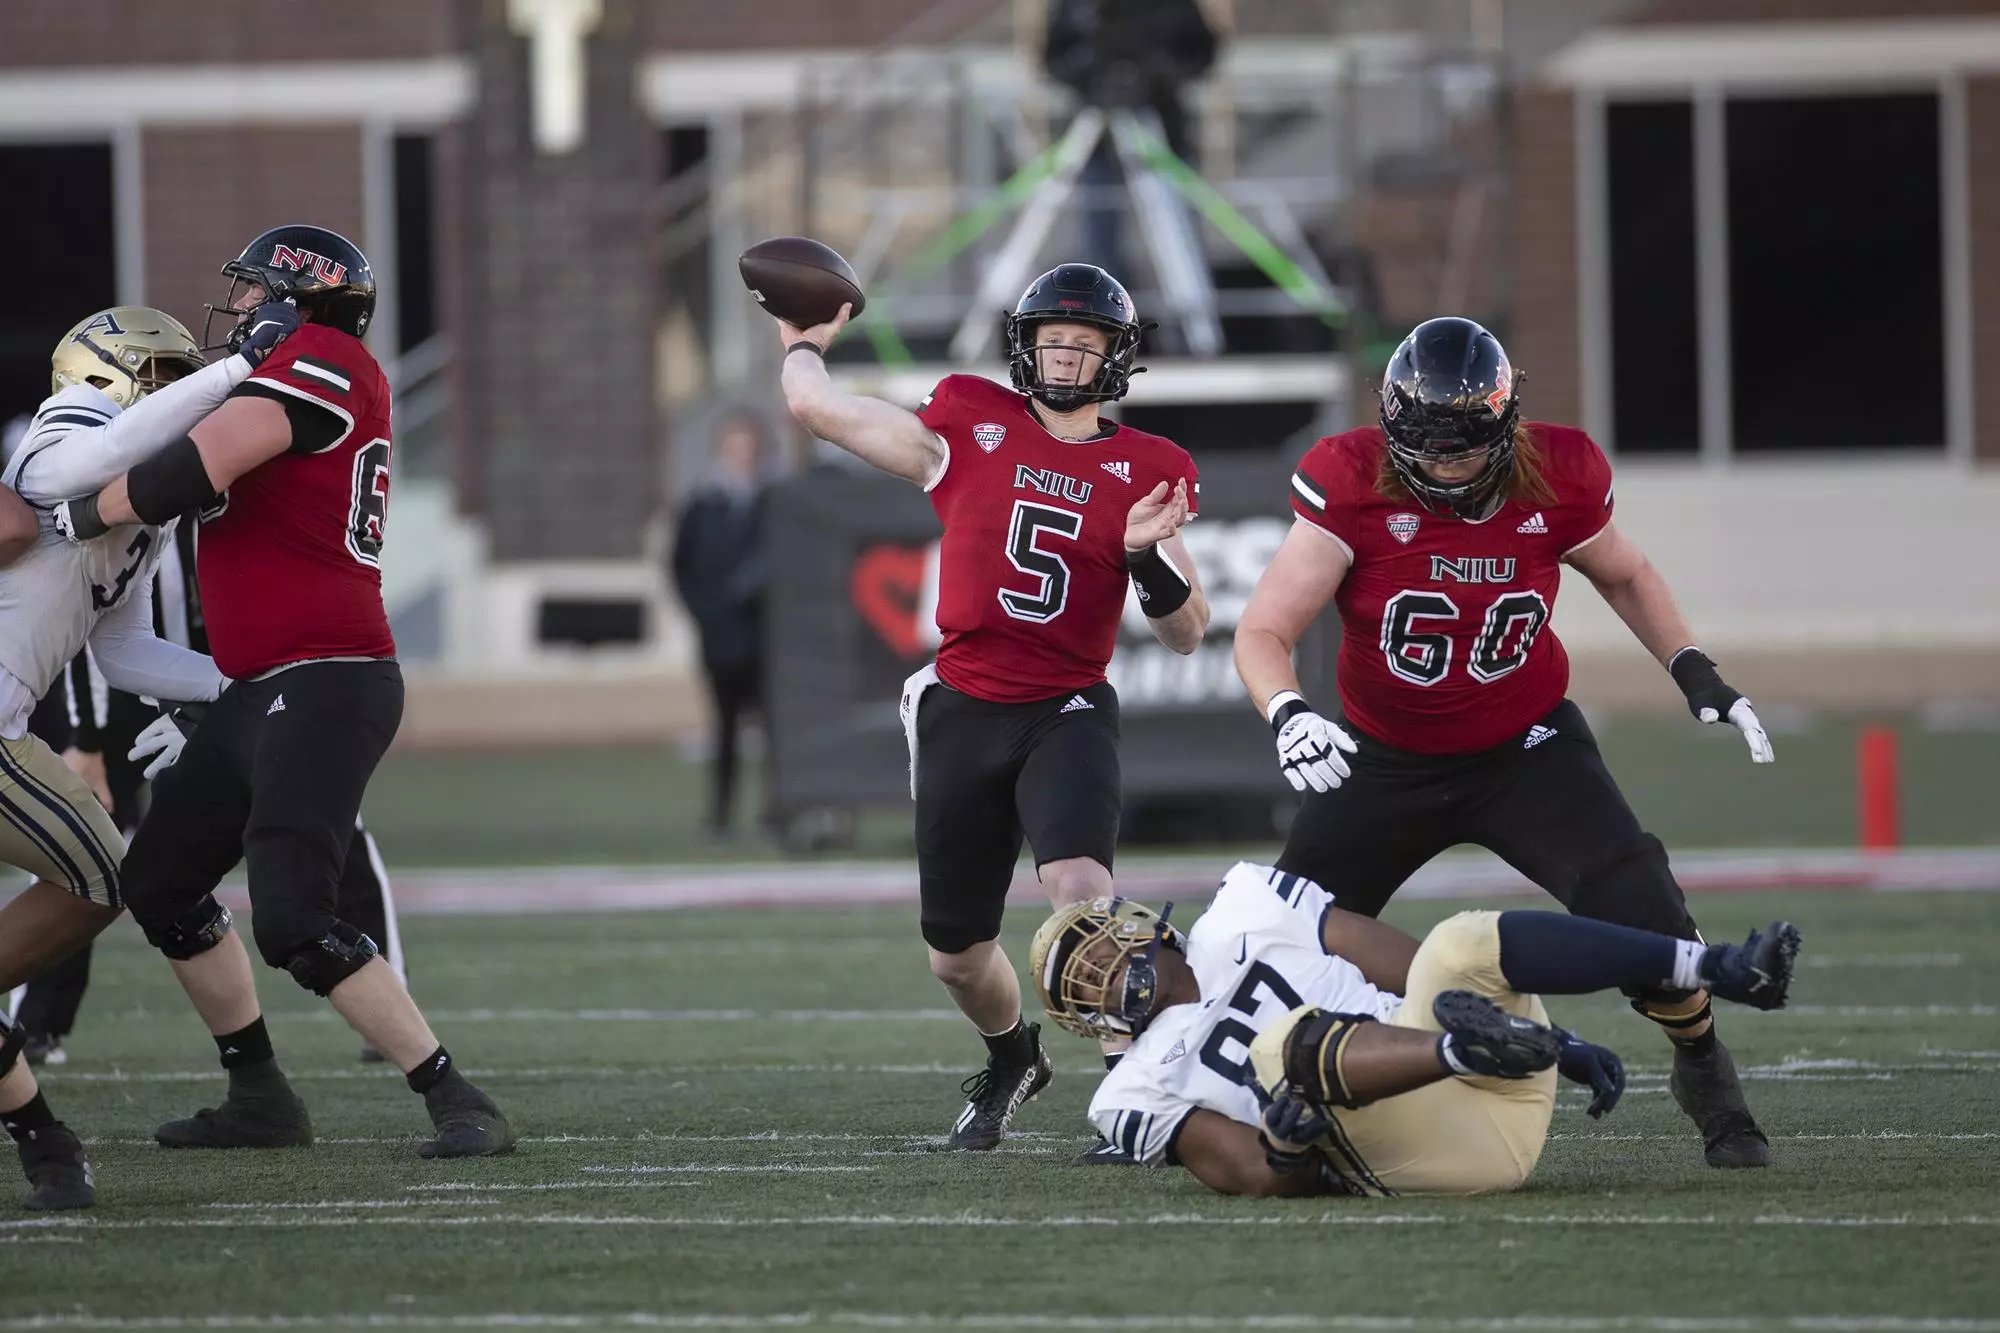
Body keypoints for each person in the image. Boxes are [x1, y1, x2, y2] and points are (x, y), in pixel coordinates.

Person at [1232, 316, 1779, 1168]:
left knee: (1643, 908)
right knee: (1279, 935)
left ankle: (1703, 1061)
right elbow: (1263, 629)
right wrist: (1288, 712)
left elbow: (1624, 572)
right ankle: (1248, 1104)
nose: (1445, 467)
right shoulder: (1350, 480)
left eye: (1463, 450)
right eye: (1429, 449)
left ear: (1504, 424)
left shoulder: (1559, 472)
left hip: (1525, 745)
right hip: (1383, 758)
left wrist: (1694, 669)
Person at [49, 225, 512, 1158]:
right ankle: (259, 1093)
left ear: (306, 301)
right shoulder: (296, 365)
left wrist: (70, 509)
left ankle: (458, 1098)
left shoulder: (328, 359)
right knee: (163, 880)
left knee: (297, 912)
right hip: (263, 683)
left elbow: (195, 465)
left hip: (329, 675)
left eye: (259, 293)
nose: (245, 311)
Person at [776, 262, 1208, 1149]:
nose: (1064, 357)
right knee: (956, 955)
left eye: (1084, 344)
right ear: (1024, 344)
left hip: (1068, 707)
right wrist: (804, 342)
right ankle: (1014, 1056)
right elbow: (820, 410)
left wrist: (1144, 558)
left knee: (1083, 902)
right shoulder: (970, 424)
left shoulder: (1150, 469)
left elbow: (1188, 632)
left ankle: (1139, 1088)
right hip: (962, 707)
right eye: (1052, 338)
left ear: (1115, 360)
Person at [1032, 864, 1800, 1196]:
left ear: (1136, 922)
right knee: (1282, 1046)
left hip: (1499, 1085)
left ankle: (1716, 965)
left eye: (1092, 947)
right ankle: (1461, 1046)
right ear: (1082, 1020)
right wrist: (1289, 1146)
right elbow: (1256, 1174)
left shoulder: (1244, 904)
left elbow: (1407, 965)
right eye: (1077, 979)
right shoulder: (1133, 1089)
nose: (1096, 971)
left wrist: (1557, 1043)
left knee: (1456, 941)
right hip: (1419, 1150)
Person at [0, 304, 250, 1208]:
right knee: (110, 875)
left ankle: (48, 1149)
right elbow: (79, 468)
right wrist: (221, 381)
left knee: (113, 878)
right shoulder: (72, 428)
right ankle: (47, 1148)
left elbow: (125, 651)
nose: (189, 390)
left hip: (8, 729)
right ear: (123, 377)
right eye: (171, 375)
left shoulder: (136, 512)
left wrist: (239, 681)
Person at [11, 517, 412, 1067]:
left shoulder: (243, 479)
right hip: (138, 693)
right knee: (84, 845)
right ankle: (35, 1020)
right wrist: (88, 736)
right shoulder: (127, 471)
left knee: (329, 820)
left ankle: (385, 994)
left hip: (242, 680)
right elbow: (93, 620)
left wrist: (243, 694)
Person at [671, 412, 771, 839]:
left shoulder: (774, 501)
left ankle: (775, 811)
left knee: (775, 730)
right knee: (725, 730)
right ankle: (722, 813)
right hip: (722, 640)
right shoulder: (702, 505)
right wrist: (706, 614)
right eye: (735, 448)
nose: (742, 456)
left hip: (768, 641)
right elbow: (680, 567)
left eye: (748, 447)